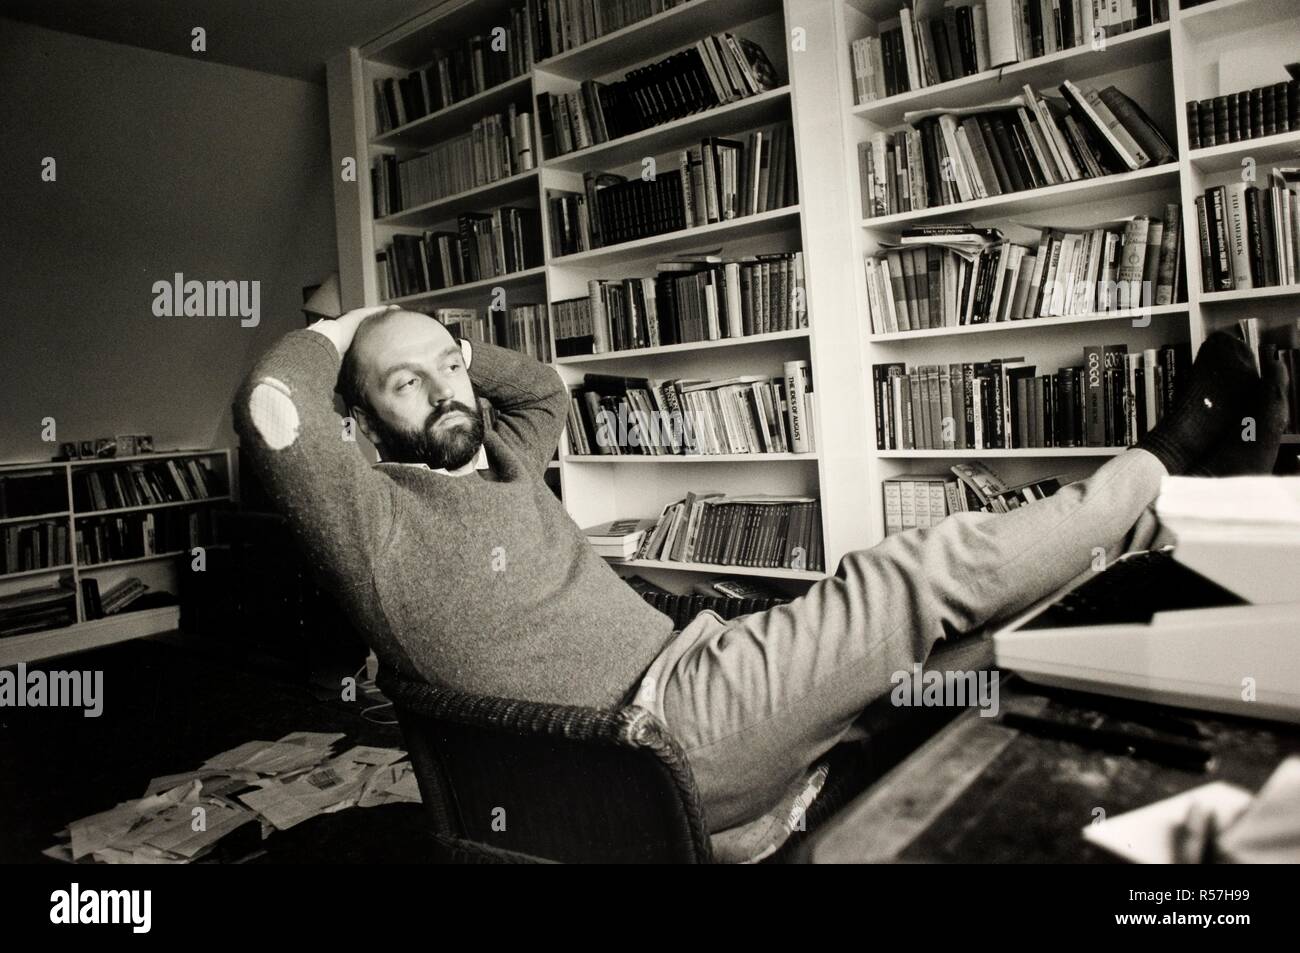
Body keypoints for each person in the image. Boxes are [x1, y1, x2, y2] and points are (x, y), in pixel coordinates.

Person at [234, 305, 1287, 834]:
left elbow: (542, 384)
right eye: (406, 387)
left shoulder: (502, 456)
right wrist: (355, 326)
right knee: (909, 575)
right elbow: (272, 404)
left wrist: (433, 344)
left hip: (704, 667)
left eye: (452, 368)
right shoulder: (369, 519)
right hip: (656, 736)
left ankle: (1183, 532)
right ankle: (1168, 457)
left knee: (970, 656)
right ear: (361, 418)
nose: (448, 393)